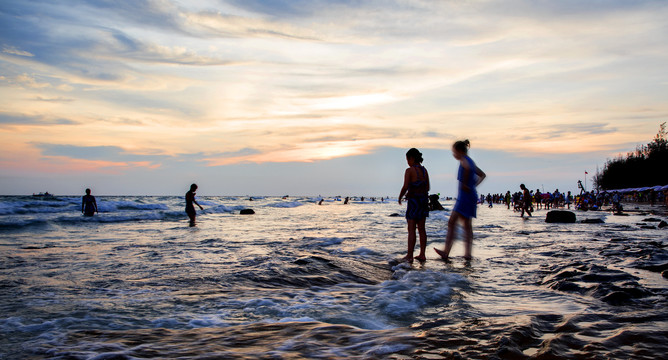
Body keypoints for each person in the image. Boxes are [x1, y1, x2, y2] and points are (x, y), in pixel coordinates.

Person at [435, 140, 486, 261]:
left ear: (460, 151)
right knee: (467, 226)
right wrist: (473, 185)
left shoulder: (464, 160)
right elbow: (482, 175)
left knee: (452, 222)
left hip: (464, 196)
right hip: (471, 195)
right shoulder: (471, 161)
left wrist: (465, 183)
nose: (454, 155)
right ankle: (467, 253)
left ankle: (446, 251)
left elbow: (468, 169)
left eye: (454, 152)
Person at [398, 148, 430, 262]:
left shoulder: (409, 170)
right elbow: (428, 188)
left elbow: (405, 186)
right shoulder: (425, 171)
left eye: (407, 160)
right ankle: (422, 254)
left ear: (411, 158)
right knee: (422, 229)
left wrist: (400, 197)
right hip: (423, 201)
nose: (407, 162)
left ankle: (409, 255)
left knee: (411, 229)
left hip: (413, 202)